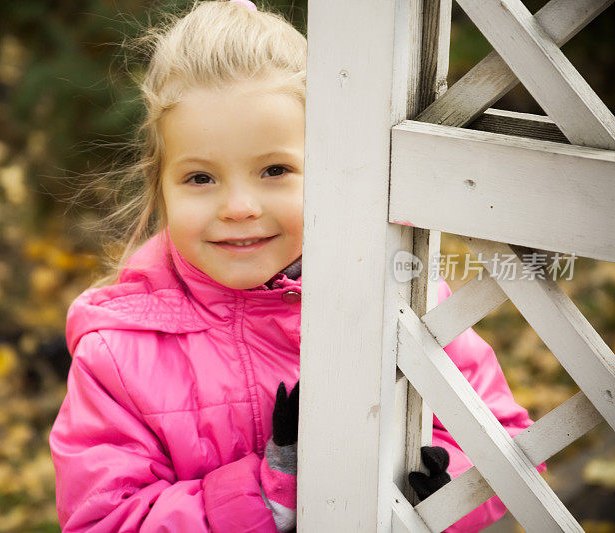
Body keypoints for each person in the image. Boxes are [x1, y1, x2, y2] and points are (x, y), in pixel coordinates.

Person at [49, 1, 543, 531]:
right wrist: (268, 495)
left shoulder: (400, 295)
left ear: (331, 167)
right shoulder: (118, 353)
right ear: (160, 184)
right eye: (200, 178)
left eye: (275, 169)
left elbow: (509, 444)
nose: (238, 206)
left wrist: (445, 498)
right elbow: (104, 519)